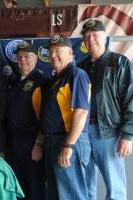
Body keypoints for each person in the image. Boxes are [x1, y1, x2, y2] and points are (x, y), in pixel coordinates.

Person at [78, 19, 133, 200]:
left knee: (115, 188)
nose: (91, 39)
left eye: (95, 35)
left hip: (109, 134)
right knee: (84, 186)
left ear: (105, 37)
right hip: (82, 134)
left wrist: (128, 135)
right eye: (87, 36)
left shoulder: (120, 63)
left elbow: (132, 100)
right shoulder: (80, 67)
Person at [40, 34, 91, 199]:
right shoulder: (56, 79)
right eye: (50, 52)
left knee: (72, 195)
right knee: (57, 195)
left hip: (67, 142)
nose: (53, 55)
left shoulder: (76, 75)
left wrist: (68, 145)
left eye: (57, 51)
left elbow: (81, 112)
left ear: (70, 52)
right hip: (52, 142)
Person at [7, 41, 46, 200]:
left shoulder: (41, 81)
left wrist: (38, 144)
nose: (23, 60)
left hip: (31, 142)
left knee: (34, 186)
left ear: (35, 59)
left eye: (27, 57)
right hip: (14, 141)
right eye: (20, 57)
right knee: (18, 186)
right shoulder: (16, 81)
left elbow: (44, 117)